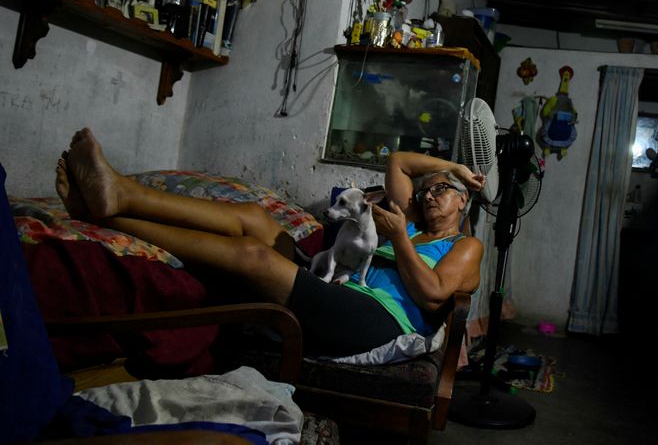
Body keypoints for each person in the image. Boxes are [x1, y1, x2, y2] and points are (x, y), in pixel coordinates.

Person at [56, 128, 485, 357]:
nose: (429, 195)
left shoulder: (465, 245)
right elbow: (398, 160)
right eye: (427, 190)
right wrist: (454, 167)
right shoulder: (410, 219)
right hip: (339, 291)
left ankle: (107, 217)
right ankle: (122, 195)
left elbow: (432, 296)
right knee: (254, 218)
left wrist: (398, 239)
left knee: (254, 256)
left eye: (443, 190)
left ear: (464, 202)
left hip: (376, 320)